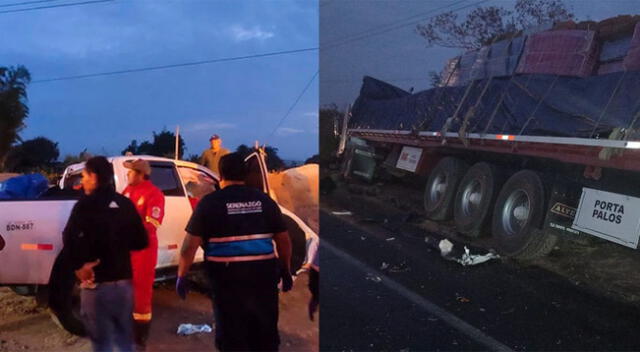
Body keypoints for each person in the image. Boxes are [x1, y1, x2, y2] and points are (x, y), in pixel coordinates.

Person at [177, 152, 293, 351]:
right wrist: (286, 270)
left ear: (220, 175)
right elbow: (284, 240)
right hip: (263, 278)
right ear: (246, 175)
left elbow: (189, 247)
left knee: (232, 336)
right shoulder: (264, 201)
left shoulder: (209, 203)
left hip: (227, 281)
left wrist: (182, 275)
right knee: (265, 335)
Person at [63, 156, 148, 352]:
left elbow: (69, 238)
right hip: (124, 287)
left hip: (96, 286)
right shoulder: (125, 203)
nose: (82, 180)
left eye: (84, 175)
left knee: (102, 345)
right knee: (125, 341)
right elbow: (141, 241)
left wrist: (78, 267)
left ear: (94, 177)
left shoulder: (85, 205)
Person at [122, 159, 165, 351]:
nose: (127, 175)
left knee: (141, 292)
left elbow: (151, 225)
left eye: (130, 172)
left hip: (143, 251)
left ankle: (140, 337)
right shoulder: (127, 191)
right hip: (125, 249)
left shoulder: (153, 194)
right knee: (125, 290)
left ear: (140, 174)